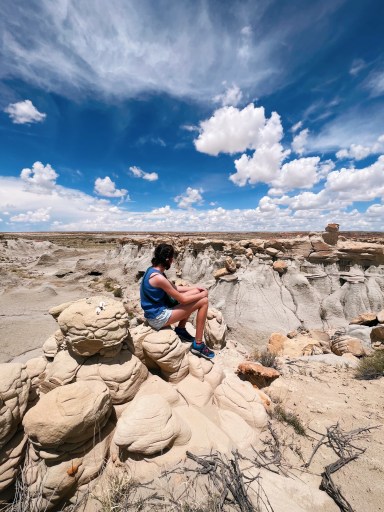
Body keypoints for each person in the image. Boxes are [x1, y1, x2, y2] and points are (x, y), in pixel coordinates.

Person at [140, 243, 214, 360]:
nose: (173, 261)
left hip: (155, 313)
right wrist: (202, 294)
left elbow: (174, 288)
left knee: (195, 294)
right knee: (203, 301)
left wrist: (195, 288)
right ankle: (198, 345)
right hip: (158, 318)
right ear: (167, 259)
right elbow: (183, 300)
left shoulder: (152, 270)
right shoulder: (158, 277)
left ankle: (180, 329)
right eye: (172, 258)